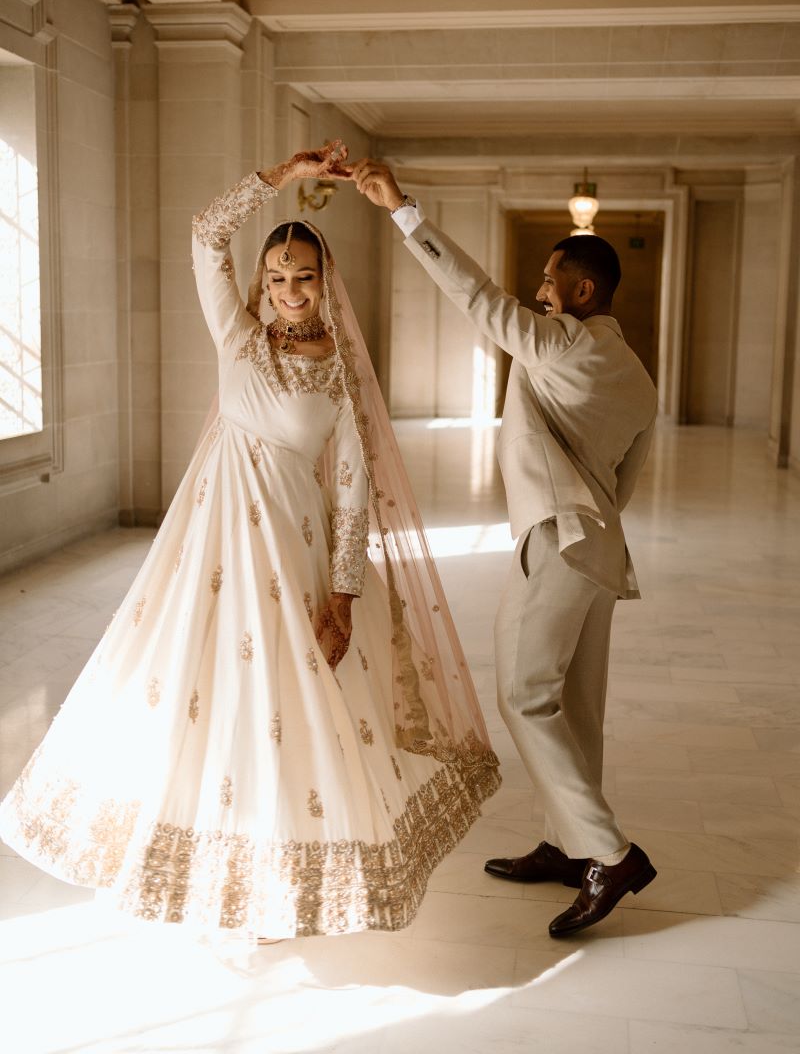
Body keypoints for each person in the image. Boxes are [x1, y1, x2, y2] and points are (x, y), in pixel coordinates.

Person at [0, 141, 500, 940]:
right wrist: (282, 178)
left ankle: (279, 875)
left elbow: (350, 492)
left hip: (296, 554)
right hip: (213, 554)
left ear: (324, 280)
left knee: (287, 705)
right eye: (276, 278)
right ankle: (206, 866)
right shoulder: (238, 340)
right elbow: (205, 235)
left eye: (303, 276)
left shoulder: (340, 374)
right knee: (202, 700)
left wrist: (341, 595)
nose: (289, 291)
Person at [347, 157, 658, 937]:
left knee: (524, 694)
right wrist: (589, 521)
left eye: (551, 280)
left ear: (582, 292)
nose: (539, 290)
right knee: (574, 706)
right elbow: (626, 479)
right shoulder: (637, 377)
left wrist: (404, 213)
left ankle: (608, 854)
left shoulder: (559, 344)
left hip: (558, 542)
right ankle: (563, 844)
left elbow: (480, 302)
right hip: (599, 547)